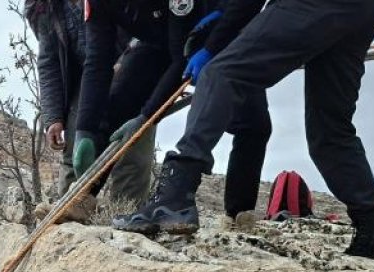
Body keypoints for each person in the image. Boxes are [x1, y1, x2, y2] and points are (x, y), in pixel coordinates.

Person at [123, 0, 374, 261]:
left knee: (221, 74)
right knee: (330, 129)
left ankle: (174, 197)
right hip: (368, 10)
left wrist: (215, 43)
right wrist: (226, 15)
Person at [110, 2, 273, 232]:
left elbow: (245, 6)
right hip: (205, 41)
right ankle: (175, 203)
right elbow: (179, 55)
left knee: (255, 126)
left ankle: (239, 215)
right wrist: (146, 116)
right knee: (242, 116)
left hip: (238, 34)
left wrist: (214, 43)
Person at [72, 0, 173, 204]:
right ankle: (84, 196)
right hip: (152, 40)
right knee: (118, 97)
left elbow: (180, 56)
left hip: (202, 28)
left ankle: (240, 212)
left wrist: (146, 115)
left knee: (241, 113)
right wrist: (85, 129)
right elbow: (98, 61)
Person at [28, 0, 90, 196]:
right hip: (85, 79)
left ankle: (128, 217)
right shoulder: (45, 8)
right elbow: (49, 62)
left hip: (131, 64)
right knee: (74, 153)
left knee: (133, 153)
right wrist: (53, 118)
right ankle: (66, 219)